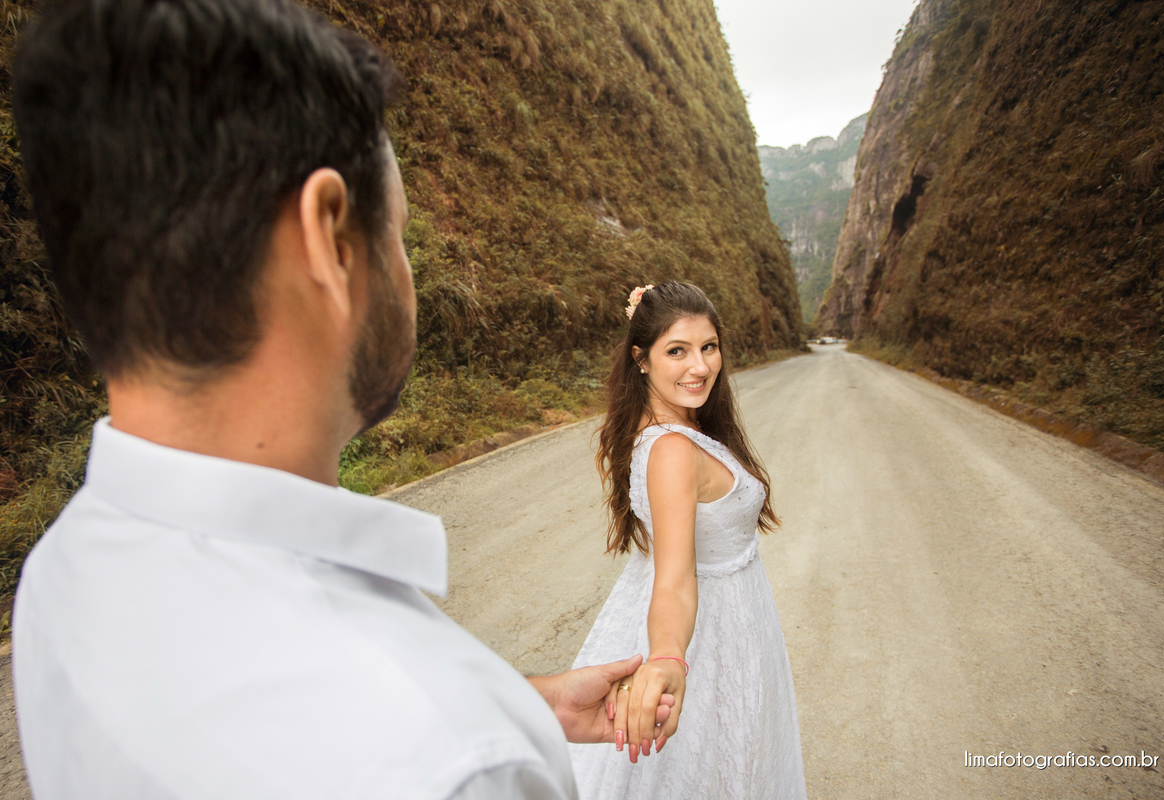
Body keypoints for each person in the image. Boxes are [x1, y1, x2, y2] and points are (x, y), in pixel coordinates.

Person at [8, 0, 673, 797]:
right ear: (327, 238)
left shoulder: (61, 573)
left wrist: (518, 703)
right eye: (397, 232)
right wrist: (486, 723)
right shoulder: (461, 764)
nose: (406, 272)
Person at [568, 281, 807, 798]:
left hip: (733, 618)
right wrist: (669, 657)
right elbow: (674, 578)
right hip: (711, 632)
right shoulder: (673, 449)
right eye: (677, 351)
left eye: (709, 347)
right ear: (642, 359)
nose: (700, 366)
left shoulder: (672, 427)